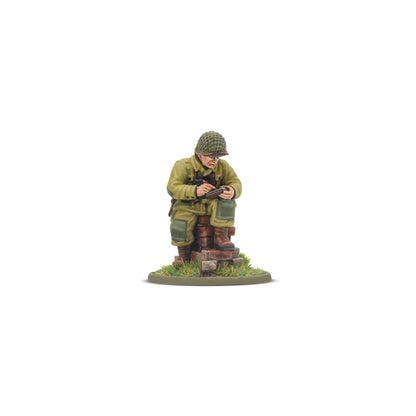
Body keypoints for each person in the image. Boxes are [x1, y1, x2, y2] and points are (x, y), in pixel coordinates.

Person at [167, 131, 242, 262]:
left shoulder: (223, 166)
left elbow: (235, 182)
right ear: (200, 154)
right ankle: (184, 255)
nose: (215, 160)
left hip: (213, 204)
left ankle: (221, 238)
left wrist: (232, 190)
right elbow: (173, 188)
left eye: (218, 156)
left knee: (227, 203)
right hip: (188, 205)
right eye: (211, 156)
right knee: (180, 224)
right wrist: (195, 191)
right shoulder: (182, 165)